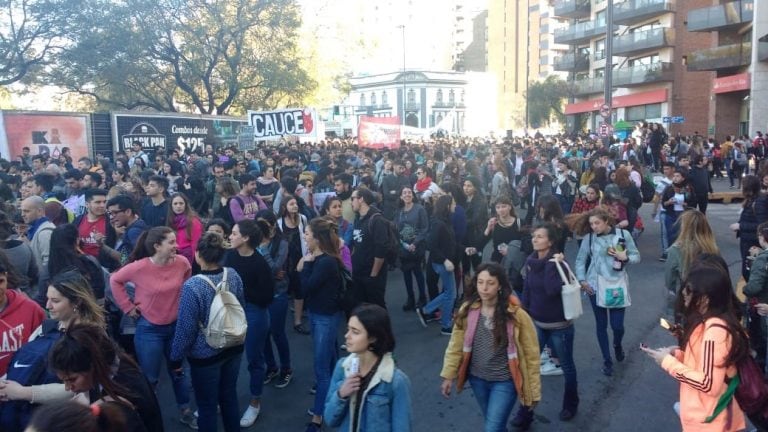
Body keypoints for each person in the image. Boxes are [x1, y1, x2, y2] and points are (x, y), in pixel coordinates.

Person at [641, 258, 748, 432]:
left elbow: (708, 384)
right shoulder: (709, 322)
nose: (684, 294)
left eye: (689, 290)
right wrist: (677, 355)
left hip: (710, 421)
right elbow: (705, 364)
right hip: (708, 417)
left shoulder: (714, 332)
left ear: (704, 298)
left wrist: (667, 363)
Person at [109, 226, 195, 428]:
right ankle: (151, 416)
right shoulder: (139, 267)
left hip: (176, 327)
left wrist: (183, 303)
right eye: (171, 242)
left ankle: (186, 411)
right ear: (157, 246)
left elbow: (187, 281)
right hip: (150, 329)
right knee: (150, 378)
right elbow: (115, 280)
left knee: (178, 372)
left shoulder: (182, 263)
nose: (177, 246)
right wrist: (127, 307)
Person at [439, 263, 541, 432]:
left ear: (500, 285)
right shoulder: (468, 310)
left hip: (505, 382)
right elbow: (455, 345)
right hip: (477, 379)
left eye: (490, 283)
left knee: (492, 428)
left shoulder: (517, 315)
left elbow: (531, 355)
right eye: (480, 282)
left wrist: (534, 392)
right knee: (495, 424)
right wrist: (449, 375)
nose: (484, 288)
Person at [0, 271, 105, 424]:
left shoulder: (90, 338)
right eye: (47, 299)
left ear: (76, 302)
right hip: (20, 412)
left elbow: (80, 388)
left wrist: (23, 393)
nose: (48, 306)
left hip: (57, 418)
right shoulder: (47, 327)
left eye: (55, 301)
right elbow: (23, 362)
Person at [170, 232, 246, 432]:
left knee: (206, 406)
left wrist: (175, 359)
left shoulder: (193, 286)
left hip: (206, 355)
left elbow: (186, 329)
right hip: (234, 345)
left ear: (197, 255)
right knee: (229, 396)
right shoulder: (233, 274)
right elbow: (241, 307)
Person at [49, 324, 164, 432]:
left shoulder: (123, 398)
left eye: (72, 379)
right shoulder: (114, 367)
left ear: (93, 366)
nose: (68, 388)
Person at [521, 223, 579, 424]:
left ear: (551, 241)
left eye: (540, 236)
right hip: (537, 323)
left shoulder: (557, 263)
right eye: (534, 236)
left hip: (559, 327)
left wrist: (550, 264)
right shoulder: (530, 261)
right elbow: (527, 289)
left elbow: (551, 289)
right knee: (528, 366)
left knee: (567, 366)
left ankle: (571, 404)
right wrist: (523, 314)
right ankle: (525, 410)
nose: (535, 239)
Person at [324, 304, 413, 431]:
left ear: (373, 337)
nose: (347, 336)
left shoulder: (395, 381)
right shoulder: (342, 367)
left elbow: (402, 427)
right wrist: (341, 395)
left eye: (355, 332)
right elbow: (329, 419)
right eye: (348, 329)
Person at [574, 207, 641, 377]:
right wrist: (582, 280)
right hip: (594, 285)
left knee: (617, 326)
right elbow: (580, 260)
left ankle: (617, 344)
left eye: (597, 223)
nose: (594, 227)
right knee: (601, 325)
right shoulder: (588, 239)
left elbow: (636, 256)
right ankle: (607, 360)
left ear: (606, 221)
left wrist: (625, 258)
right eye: (591, 224)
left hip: (616, 284)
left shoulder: (623, 235)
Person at [223, 220, 275, 428]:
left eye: (234, 233)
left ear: (245, 238)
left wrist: (239, 290)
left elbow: (266, 297)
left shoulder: (259, 263)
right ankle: (224, 397)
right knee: (227, 357)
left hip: (254, 313)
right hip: (232, 310)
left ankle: (255, 402)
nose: (230, 236)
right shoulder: (230, 256)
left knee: (254, 358)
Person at [297, 216, 345, 432]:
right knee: (332, 360)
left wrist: (305, 266)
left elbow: (305, 288)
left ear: (317, 238)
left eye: (307, 233)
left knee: (321, 368)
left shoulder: (324, 262)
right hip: (322, 315)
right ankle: (339, 397)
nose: (305, 236)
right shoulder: (322, 258)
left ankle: (318, 416)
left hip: (325, 317)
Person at [255, 211, 293, 389]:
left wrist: (263, 250)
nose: (261, 228)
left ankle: (286, 369)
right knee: (263, 335)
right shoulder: (253, 241)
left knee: (278, 333)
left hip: (278, 293)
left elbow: (276, 268)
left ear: (272, 225)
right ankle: (271, 367)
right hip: (260, 293)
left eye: (264, 224)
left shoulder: (282, 242)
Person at [416, 195, 457, 335]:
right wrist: (445, 260)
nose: (455, 206)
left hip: (444, 262)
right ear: (447, 206)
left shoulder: (445, 221)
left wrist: (464, 249)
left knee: (449, 293)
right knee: (450, 293)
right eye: (453, 204)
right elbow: (430, 245)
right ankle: (442, 322)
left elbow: (450, 242)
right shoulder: (439, 223)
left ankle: (432, 314)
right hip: (442, 263)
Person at [0, 259, 45, 376]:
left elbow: (45, 350)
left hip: (24, 386)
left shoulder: (31, 309)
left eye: (0, 282)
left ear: (6, 277)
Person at [350, 187, 390, 309]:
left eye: (353, 199)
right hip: (358, 273)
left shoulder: (377, 220)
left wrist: (373, 276)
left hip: (372, 275)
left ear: (361, 199)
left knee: (377, 309)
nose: (351, 202)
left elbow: (381, 250)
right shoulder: (358, 218)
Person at [665, 210, 719, 298]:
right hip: (712, 296)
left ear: (684, 228)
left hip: (688, 296)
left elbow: (669, 281)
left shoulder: (676, 249)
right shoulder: (711, 247)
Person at [277, 194, 310, 334]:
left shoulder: (302, 218)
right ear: (284, 207)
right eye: (291, 204)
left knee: (299, 290)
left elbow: (307, 237)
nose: (295, 206)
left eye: (295, 203)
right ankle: (279, 320)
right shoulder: (279, 222)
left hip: (299, 259)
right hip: (285, 261)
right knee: (283, 290)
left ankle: (297, 321)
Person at [395, 186, 429, 311]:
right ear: (401, 196)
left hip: (417, 247)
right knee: (406, 274)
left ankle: (422, 297)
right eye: (404, 192)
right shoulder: (399, 211)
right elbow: (396, 229)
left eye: (409, 192)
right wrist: (401, 243)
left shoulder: (420, 209)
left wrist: (415, 243)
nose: (407, 194)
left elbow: (424, 228)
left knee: (418, 273)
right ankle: (410, 298)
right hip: (404, 248)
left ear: (413, 195)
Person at [481, 196, 523, 264]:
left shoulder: (519, 223)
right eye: (498, 207)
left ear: (510, 207)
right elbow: (481, 244)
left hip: (514, 262)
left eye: (504, 206)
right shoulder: (493, 223)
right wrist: (488, 228)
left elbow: (527, 244)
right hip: (497, 263)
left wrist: (510, 250)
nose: (501, 210)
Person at [167, 192, 204, 266]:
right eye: (175, 204)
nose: (178, 206)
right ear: (171, 206)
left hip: (190, 258)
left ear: (186, 205)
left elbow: (196, 243)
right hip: (174, 257)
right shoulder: (170, 220)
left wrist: (194, 263)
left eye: (181, 203)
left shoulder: (193, 221)